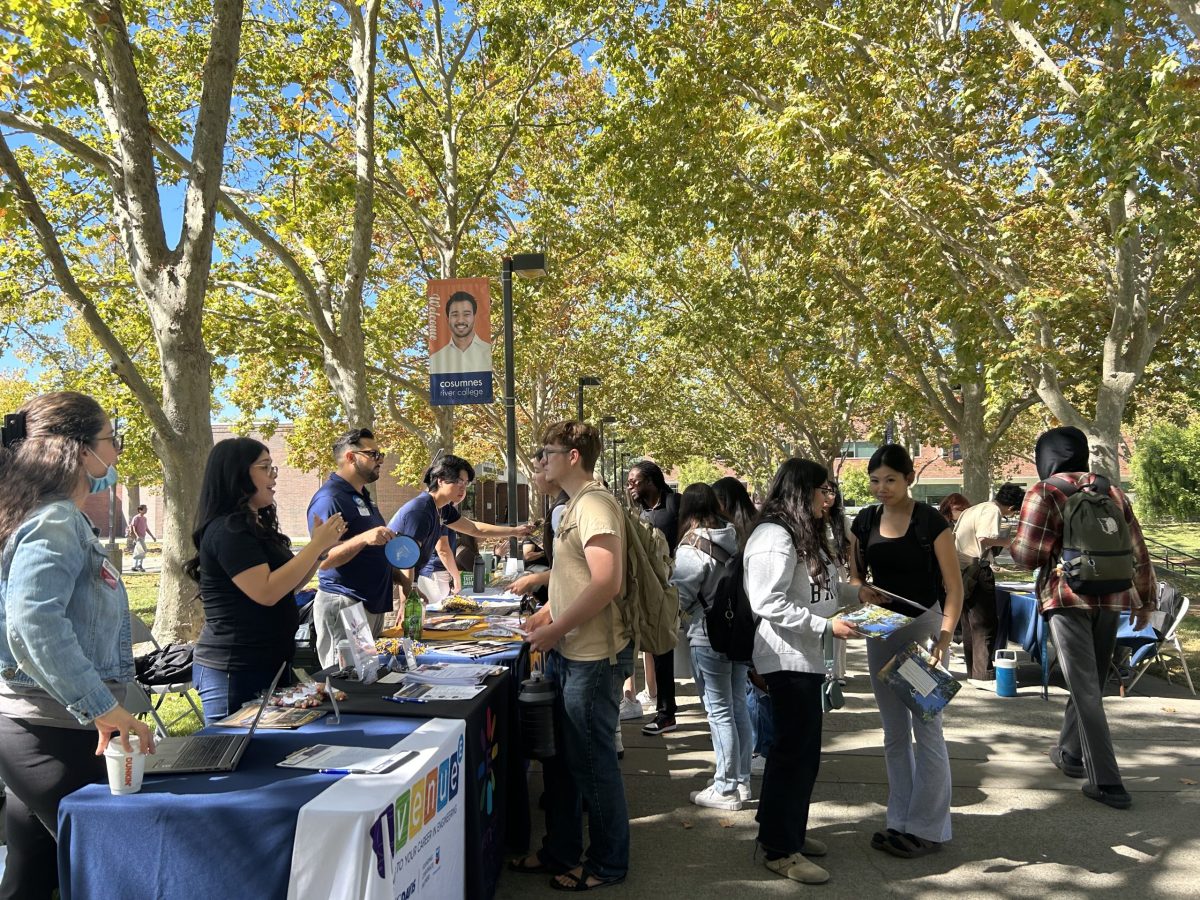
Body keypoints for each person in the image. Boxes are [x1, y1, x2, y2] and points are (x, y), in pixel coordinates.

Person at [0, 391, 156, 898]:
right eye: (113, 440)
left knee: (34, 874)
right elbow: (33, 623)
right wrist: (104, 709)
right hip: (56, 731)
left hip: (34, 727)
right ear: (79, 450)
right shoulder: (55, 519)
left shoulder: (40, 516)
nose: (115, 453)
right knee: (109, 871)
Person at [512, 421, 632, 891]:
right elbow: (574, 578)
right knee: (561, 761)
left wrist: (556, 626)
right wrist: (547, 615)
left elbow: (607, 582)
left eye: (547, 453)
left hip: (591, 656)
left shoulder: (595, 505)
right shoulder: (575, 506)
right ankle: (558, 851)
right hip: (570, 649)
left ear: (574, 456)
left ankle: (607, 864)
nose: (541, 460)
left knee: (590, 763)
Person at [1010, 426, 1155, 810]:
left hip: (1067, 597)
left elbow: (1027, 556)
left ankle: (1107, 781)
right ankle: (1070, 754)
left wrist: (1017, 542)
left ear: (1046, 456)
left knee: (1085, 688)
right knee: (1089, 684)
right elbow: (1137, 548)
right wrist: (1145, 602)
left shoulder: (1045, 491)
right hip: (1114, 598)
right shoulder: (1111, 491)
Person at [746, 459, 863, 884]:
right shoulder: (774, 536)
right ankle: (779, 848)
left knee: (800, 755)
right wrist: (824, 625)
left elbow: (822, 590)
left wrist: (856, 593)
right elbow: (767, 601)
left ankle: (786, 832)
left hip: (807, 659)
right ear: (802, 491)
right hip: (786, 659)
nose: (828, 499)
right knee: (794, 755)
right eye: (823, 490)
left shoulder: (802, 532)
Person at [848, 444, 963, 859]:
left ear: (908, 478)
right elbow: (856, 572)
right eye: (875, 480)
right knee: (893, 731)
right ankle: (900, 819)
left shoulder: (931, 521)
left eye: (890, 480)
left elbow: (954, 589)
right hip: (882, 626)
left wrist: (943, 640)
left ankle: (930, 827)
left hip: (924, 629)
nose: (881, 488)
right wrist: (862, 589)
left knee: (926, 727)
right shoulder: (865, 519)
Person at [186, 438, 346, 722]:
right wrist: (314, 546)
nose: (274, 475)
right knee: (233, 754)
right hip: (234, 670)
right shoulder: (228, 530)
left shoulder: (256, 525)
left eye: (273, 467)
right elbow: (266, 592)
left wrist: (319, 551)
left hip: (270, 662)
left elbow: (288, 585)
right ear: (237, 474)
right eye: (264, 467)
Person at [673, 484, 749, 809]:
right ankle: (740, 779)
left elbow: (679, 597)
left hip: (707, 635)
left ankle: (725, 788)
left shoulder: (691, 547)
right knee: (737, 707)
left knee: (719, 713)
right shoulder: (734, 537)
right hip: (738, 634)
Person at [306, 428, 397, 668]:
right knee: (347, 682)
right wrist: (364, 538)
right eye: (373, 454)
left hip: (370, 604)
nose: (380, 460)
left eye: (381, 454)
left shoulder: (363, 496)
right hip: (345, 602)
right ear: (350, 457)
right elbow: (322, 559)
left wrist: (405, 581)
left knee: (367, 679)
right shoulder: (330, 498)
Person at [387, 453, 530, 601]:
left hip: (409, 580)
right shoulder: (421, 510)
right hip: (388, 581)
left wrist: (515, 531)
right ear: (441, 480)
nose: (463, 488)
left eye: (466, 483)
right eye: (458, 481)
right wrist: (407, 598)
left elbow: (475, 529)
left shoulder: (442, 509)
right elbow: (405, 557)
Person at [627, 460, 680, 735]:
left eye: (634, 481)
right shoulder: (642, 511)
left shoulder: (674, 504)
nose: (630, 487)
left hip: (675, 587)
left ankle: (667, 712)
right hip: (651, 590)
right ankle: (664, 708)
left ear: (651, 481)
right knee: (659, 649)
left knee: (663, 649)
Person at [954, 483, 1025, 689]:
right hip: (977, 569)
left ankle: (974, 671)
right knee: (985, 623)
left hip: (961, 568)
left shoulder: (974, 508)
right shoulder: (993, 511)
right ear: (1012, 507)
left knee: (969, 622)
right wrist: (1010, 540)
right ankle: (983, 674)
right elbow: (985, 538)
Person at [428, 290, 492, 374]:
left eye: (466, 314)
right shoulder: (436, 359)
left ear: (474, 317)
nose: (461, 320)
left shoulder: (487, 351)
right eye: (455, 315)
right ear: (448, 319)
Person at [126, 504, 155, 572]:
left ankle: (134, 566)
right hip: (138, 537)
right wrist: (137, 536)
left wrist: (152, 536)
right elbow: (133, 527)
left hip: (143, 536)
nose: (146, 510)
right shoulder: (136, 518)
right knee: (142, 550)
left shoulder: (144, 518)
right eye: (145, 509)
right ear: (140, 510)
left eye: (146, 508)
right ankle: (138, 565)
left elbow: (146, 528)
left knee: (138, 551)